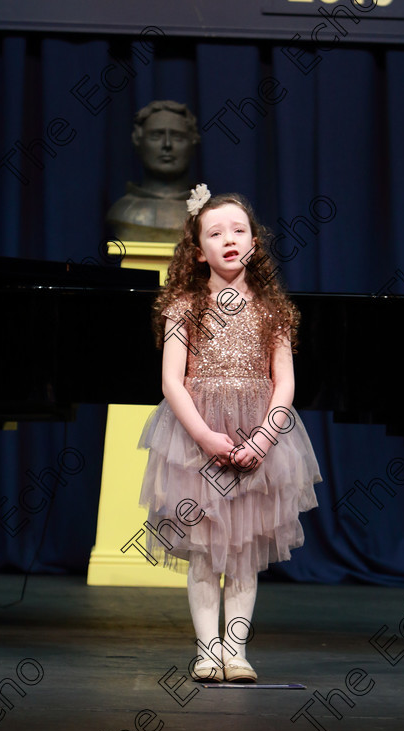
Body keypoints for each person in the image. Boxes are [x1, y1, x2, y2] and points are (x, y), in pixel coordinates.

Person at [138, 184, 322, 682]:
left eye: (239, 230)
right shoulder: (184, 307)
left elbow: (284, 382)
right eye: (215, 233)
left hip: (258, 436)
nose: (229, 239)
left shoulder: (273, 310)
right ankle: (207, 650)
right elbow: (170, 382)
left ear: (254, 244)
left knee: (242, 552)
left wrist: (264, 438)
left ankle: (236, 651)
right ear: (199, 251)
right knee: (204, 551)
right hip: (199, 440)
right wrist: (205, 437)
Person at [106, 100, 200, 242]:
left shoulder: (205, 214)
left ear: (193, 144)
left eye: (177, 137)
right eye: (156, 136)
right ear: (138, 141)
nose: (167, 145)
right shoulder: (123, 211)